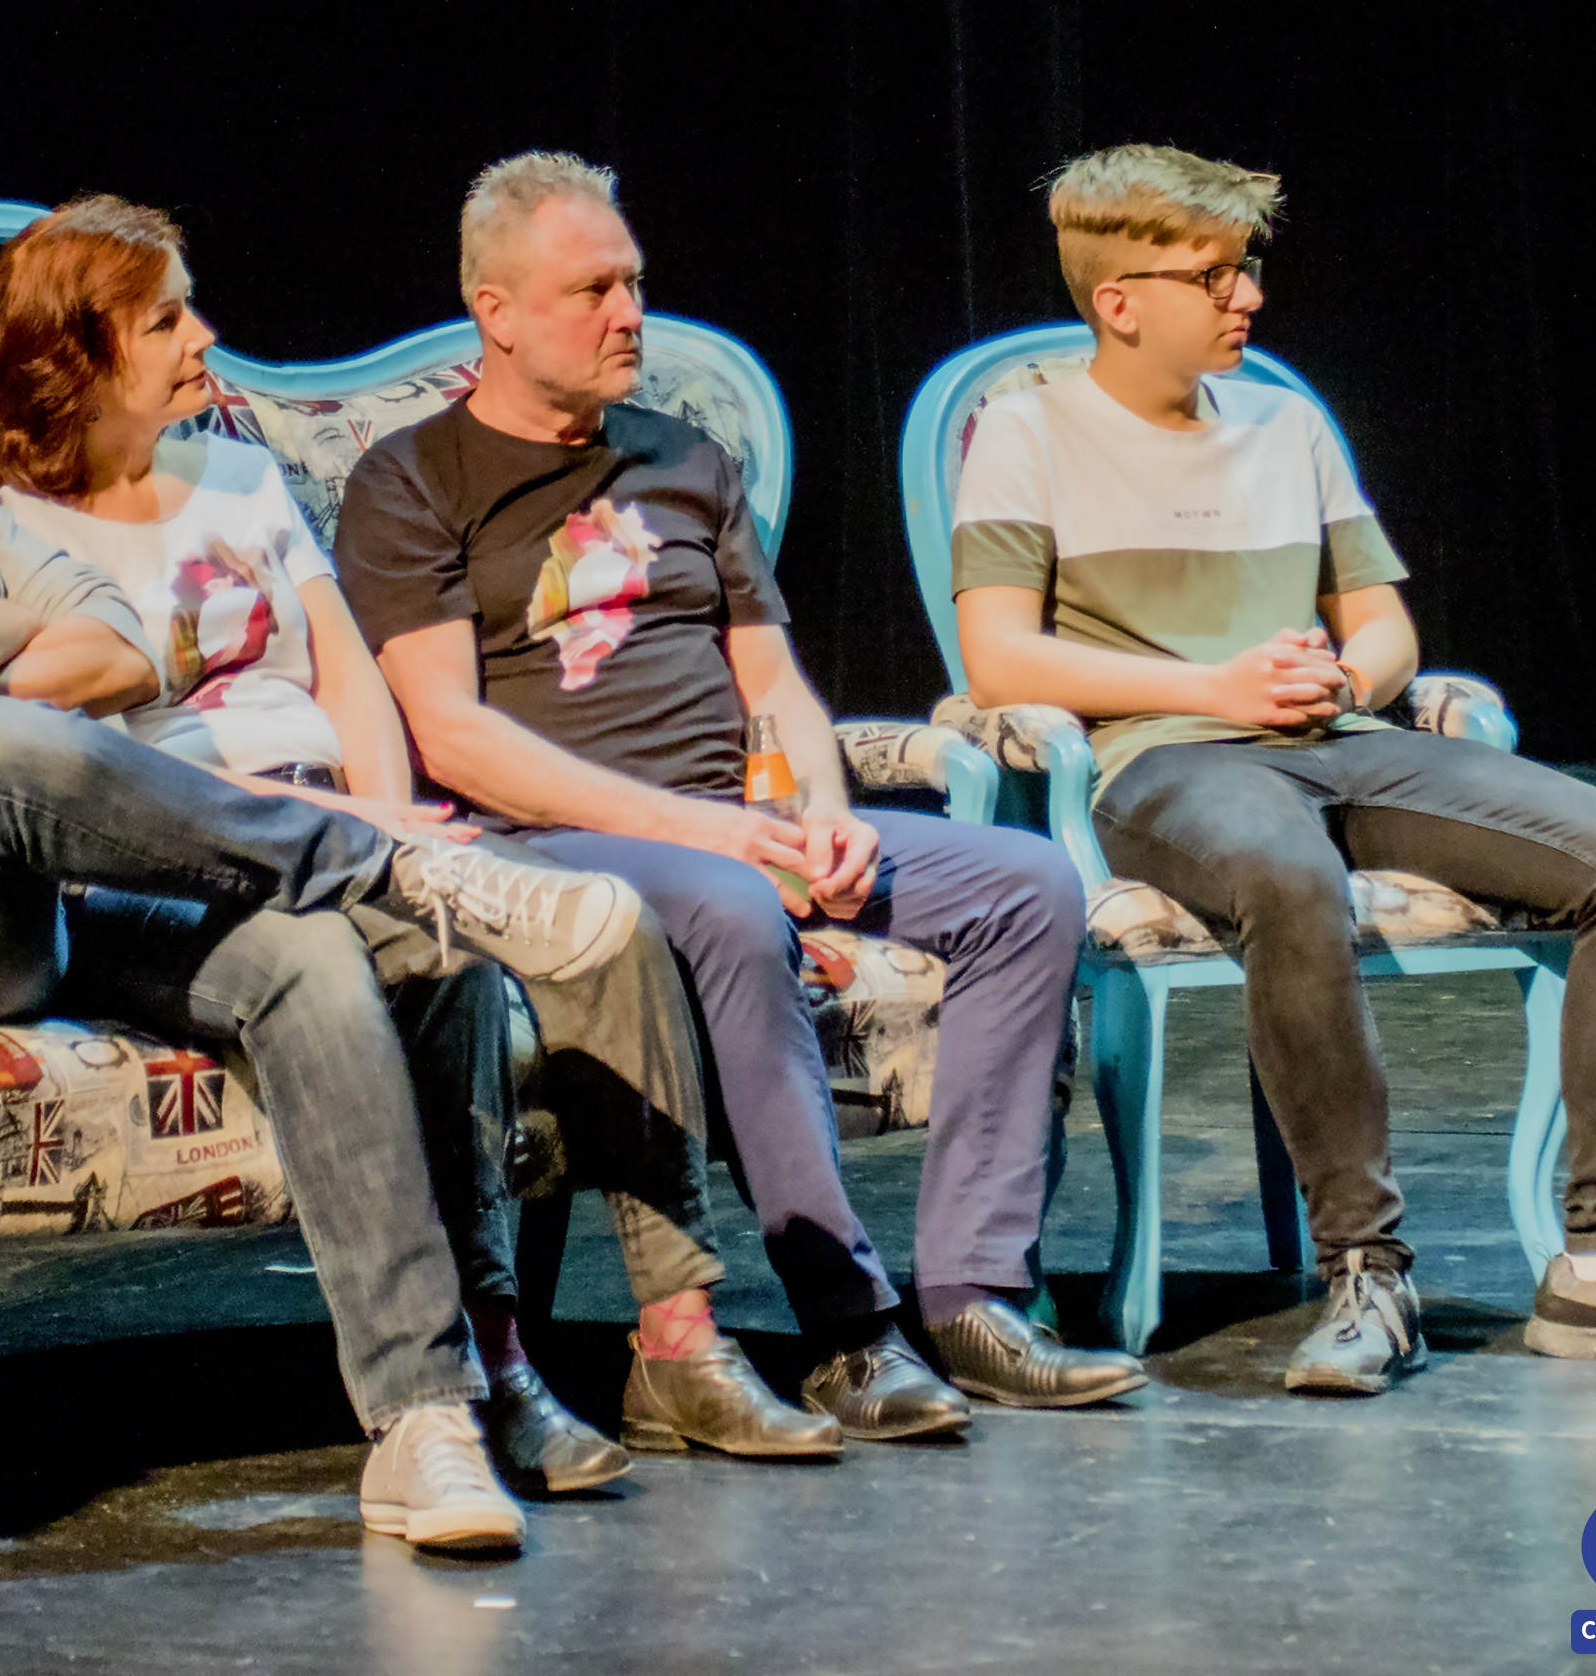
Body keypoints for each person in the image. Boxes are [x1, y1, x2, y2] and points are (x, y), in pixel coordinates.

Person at [0, 214, 658, 1553]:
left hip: (49, 896)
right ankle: (396, 862)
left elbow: (126, 643)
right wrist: (0, 643)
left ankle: (422, 1418)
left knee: (312, 956)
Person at [0, 194, 839, 1487]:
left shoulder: (237, 477)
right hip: (186, 850)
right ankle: (496, 1361)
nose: (204, 339)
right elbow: (78, 765)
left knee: (601, 929)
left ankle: (677, 1337)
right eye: (166, 321)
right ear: (74, 357)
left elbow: (348, 678)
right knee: (458, 967)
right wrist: (346, 829)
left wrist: (391, 823)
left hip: (355, 827)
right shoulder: (0, 524)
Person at [951, 142, 1596, 1394]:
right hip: (1163, 761)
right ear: (1119, 301)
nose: (1247, 295)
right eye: (1214, 275)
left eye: (1246, 269)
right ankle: (1365, 1268)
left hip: (1337, 743)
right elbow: (999, 658)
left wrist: (1347, 680)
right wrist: (1214, 688)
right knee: (1286, 874)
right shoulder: (1026, 432)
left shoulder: (1285, 425)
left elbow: (1383, 623)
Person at [334, 152, 1147, 1442]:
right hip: (546, 843)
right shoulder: (413, 479)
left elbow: (772, 683)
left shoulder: (687, 460)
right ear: (497, 311)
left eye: (633, 283)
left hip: (736, 822)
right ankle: (848, 1330)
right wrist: (714, 832)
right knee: (726, 899)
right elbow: (456, 739)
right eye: (592, 290)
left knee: (1027, 882)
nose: (628, 314)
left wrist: (820, 812)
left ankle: (973, 1297)